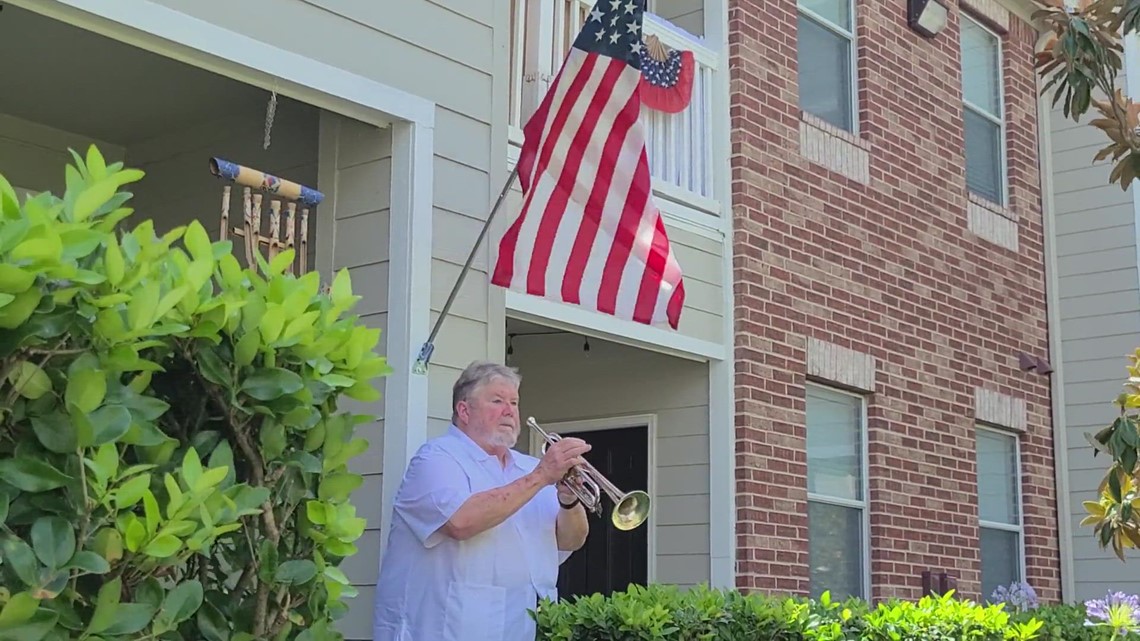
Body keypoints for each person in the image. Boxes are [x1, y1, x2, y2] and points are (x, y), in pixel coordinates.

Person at [371, 360, 592, 641]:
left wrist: (569, 499)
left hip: (520, 628)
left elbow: (570, 541)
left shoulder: (529, 467)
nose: (509, 411)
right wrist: (543, 475)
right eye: (497, 401)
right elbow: (460, 522)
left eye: (514, 402)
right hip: (441, 628)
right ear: (464, 410)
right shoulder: (436, 459)